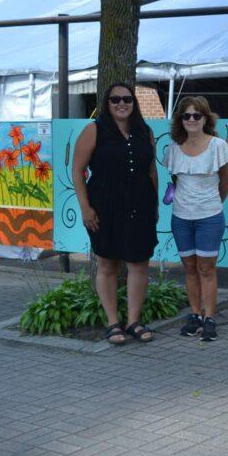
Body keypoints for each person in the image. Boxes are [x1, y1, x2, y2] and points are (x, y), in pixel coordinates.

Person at [71, 83, 159, 345]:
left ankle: (133, 320)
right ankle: (113, 322)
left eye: (127, 99)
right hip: (105, 205)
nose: (122, 104)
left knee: (138, 262)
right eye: (115, 99)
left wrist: (154, 206)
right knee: (108, 263)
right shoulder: (94, 130)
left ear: (135, 103)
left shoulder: (145, 131)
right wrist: (85, 207)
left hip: (140, 204)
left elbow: (152, 171)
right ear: (106, 103)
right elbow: (77, 170)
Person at [165, 96, 228, 342]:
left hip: (209, 217)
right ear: (180, 120)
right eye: (187, 116)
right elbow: (175, 181)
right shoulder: (174, 149)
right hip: (181, 217)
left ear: (206, 118)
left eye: (197, 115)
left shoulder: (218, 146)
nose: (192, 120)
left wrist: (210, 205)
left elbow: (226, 182)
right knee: (190, 268)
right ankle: (194, 315)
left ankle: (210, 318)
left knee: (207, 268)